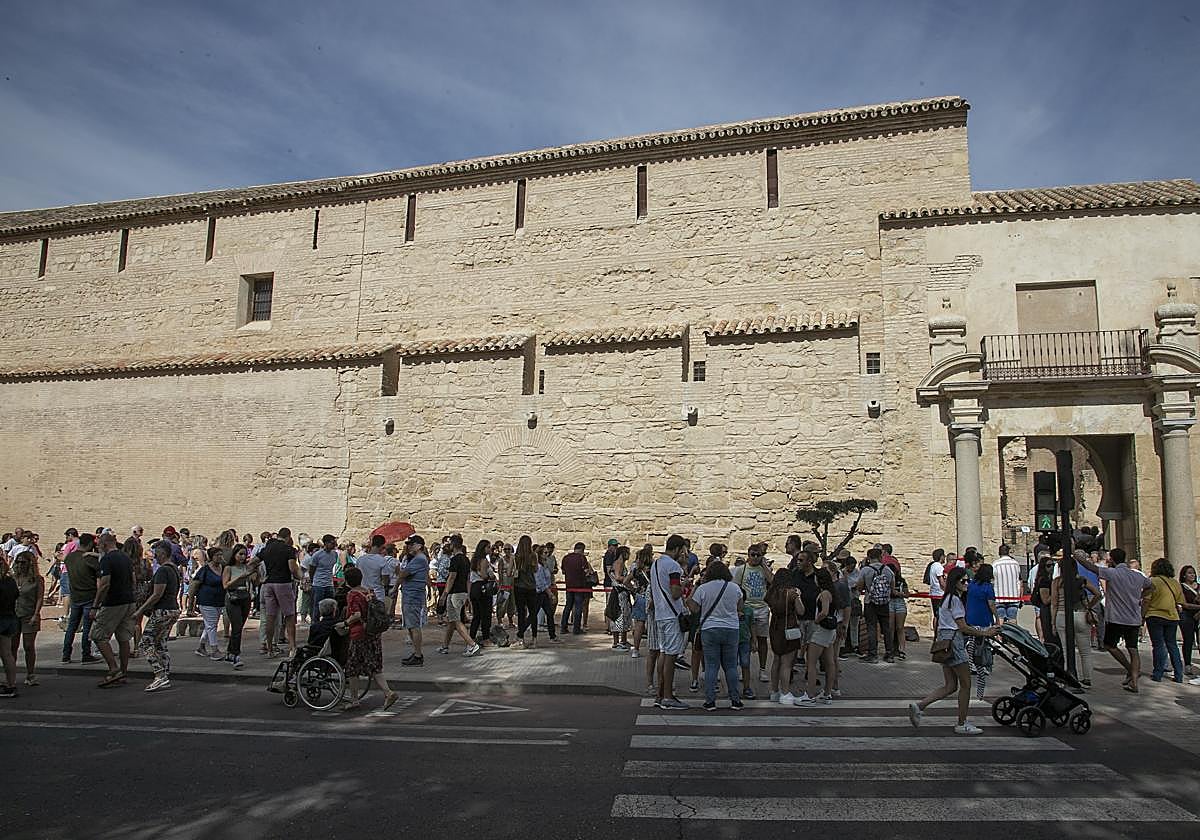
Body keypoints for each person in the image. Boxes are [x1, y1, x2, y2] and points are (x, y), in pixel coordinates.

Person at [909, 567, 1001, 734]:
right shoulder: (955, 601)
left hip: (945, 642)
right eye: (963, 581)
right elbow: (963, 627)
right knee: (966, 684)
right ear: (955, 582)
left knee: (951, 685)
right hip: (954, 642)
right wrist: (985, 632)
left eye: (968, 581)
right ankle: (962, 722)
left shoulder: (946, 599)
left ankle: (920, 705)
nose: (967, 584)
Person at [1076, 547, 1152, 693]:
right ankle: (1134, 679)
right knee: (1133, 649)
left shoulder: (1112, 573)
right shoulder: (1137, 576)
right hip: (1133, 617)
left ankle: (1129, 668)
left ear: (1112, 559)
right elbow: (1151, 586)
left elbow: (1091, 568)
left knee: (1110, 645)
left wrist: (1078, 557)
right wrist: (1140, 597)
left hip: (1116, 617)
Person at [685, 559, 744, 710]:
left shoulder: (704, 588)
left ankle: (710, 700)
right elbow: (740, 608)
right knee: (731, 666)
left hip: (710, 628)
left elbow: (694, 609)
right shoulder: (735, 588)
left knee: (711, 666)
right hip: (731, 628)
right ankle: (735, 700)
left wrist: (688, 598)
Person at [338, 565, 398, 711]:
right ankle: (387, 692)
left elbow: (357, 614)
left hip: (359, 634)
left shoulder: (352, 595)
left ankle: (355, 699)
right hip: (373, 633)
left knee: (352, 668)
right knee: (375, 666)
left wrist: (345, 623)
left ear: (347, 581)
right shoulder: (368, 592)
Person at [132, 540, 182, 692]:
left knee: (146, 642)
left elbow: (156, 594)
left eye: (156, 554)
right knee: (160, 643)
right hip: (172, 610)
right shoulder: (174, 570)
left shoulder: (163, 571)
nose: (154, 557)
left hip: (163, 611)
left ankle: (160, 675)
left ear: (162, 553)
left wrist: (140, 611)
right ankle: (165, 673)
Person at [90, 532, 137, 687]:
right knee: (124, 638)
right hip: (129, 600)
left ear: (104, 544)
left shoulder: (107, 559)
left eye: (99, 545)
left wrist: (96, 605)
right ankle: (122, 672)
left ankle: (114, 669)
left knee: (98, 635)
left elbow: (104, 584)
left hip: (113, 602)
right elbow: (133, 579)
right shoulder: (125, 558)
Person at [1050, 551, 1102, 689]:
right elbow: (1098, 594)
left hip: (1062, 614)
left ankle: (1071, 677)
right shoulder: (1082, 580)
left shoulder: (1057, 582)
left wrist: (1052, 622)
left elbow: (1054, 603)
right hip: (1080, 614)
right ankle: (1087, 679)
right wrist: (1089, 606)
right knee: (1085, 651)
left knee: (1067, 650)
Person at [651, 534, 691, 710]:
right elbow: (675, 592)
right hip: (672, 615)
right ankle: (668, 696)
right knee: (671, 656)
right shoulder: (673, 566)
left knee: (664, 653)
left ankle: (660, 693)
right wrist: (685, 584)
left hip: (660, 614)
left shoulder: (655, 564)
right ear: (677, 549)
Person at [795, 558, 837, 705]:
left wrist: (817, 620)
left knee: (811, 663)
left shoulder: (824, 594)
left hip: (821, 629)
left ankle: (810, 695)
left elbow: (824, 611)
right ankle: (827, 693)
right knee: (830, 662)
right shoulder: (831, 592)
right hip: (830, 631)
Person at [733, 543, 772, 683]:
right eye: (752, 555)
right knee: (744, 640)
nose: (755, 558)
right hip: (747, 607)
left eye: (758, 555)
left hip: (762, 607)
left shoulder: (764, 569)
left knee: (762, 640)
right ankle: (744, 668)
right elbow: (736, 588)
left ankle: (762, 669)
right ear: (748, 555)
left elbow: (772, 581)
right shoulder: (741, 569)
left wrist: (764, 565)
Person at [436, 535, 480, 656]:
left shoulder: (455, 559)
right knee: (451, 620)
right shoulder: (466, 559)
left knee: (455, 620)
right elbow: (467, 579)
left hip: (454, 593)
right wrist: (468, 594)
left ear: (453, 545)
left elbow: (451, 577)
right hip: (462, 592)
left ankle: (472, 644)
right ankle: (445, 646)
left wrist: (444, 594)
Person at [1145, 557, 1186, 684]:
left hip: (1154, 615)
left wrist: (1142, 615)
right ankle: (1179, 674)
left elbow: (1146, 600)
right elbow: (1181, 601)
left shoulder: (1152, 581)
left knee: (1158, 645)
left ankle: (1158, 673)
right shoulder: (1175, 583)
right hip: (1172, 617)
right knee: (1172, 645)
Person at [62, 532, 101, 663]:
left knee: (71, 627)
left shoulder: (69, 558)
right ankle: (86, 654)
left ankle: (66, 655)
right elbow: (100, 575)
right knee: (87, 628)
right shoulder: (89, 559)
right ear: (89, 544)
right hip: (89, 595)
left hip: (75, 596)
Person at [965, 563, 999, 699]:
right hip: (983, 619)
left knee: (972, 641)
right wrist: (997, 617)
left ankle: (971, 662)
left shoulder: (972, 585)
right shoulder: (988, 587)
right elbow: (991, 604)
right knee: (983, 644)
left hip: (971, 617)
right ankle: (981, 663)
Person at [10, 550, 43, 687]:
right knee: (12, 646)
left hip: (29, 614)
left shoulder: (36, 579)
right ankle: (10, 675)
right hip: (13, 614)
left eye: (23, 562)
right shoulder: (12, 578)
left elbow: (40, 597)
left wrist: (36, 614)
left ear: (30, 563)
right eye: (18, 562)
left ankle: (30, 674)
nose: (20, 565)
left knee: (28, 646)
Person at [397, 535, 430, 666]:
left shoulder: (419, 559)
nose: (408, 547)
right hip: (411, 595)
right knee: (411, 626)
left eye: (411, 544)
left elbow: (402, 574)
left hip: (413, 597)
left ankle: (418, 655)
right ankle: (416, 653)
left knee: (414, 626)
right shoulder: (417, 559)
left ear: (419, 545)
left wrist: (398, 569)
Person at [221, 543, 255, 668]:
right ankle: (236, 654)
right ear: (234, 554)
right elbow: (225, 585)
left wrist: (255, 575)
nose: (242, 557)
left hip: (245, 597)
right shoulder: (229, 568)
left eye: (244, 554)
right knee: (237, 626)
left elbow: (253, 581)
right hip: (233, 597)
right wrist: (240, 577)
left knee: (239, 626)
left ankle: (230, 652)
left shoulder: (246, 567)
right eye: (240, 554)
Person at [859, 546, 895, 663]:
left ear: (869, 558)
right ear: (880, 557)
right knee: (886, 627)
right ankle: (889, 653)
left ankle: (872, 654)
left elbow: (860, 586)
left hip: (870, 601)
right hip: (884, 602)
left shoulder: (865, 570)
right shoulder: (888, 570)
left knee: (871, 627)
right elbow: (892, 587)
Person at [303, 535, 340, 624]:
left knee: (331, 605)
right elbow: (312, 569)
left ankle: (329, 623)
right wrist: (313, 581)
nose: (334, 544)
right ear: (326, 543)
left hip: (329, 583)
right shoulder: (317, 555)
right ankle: (315, 623)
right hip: (318, 584)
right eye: (332, 542)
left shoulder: (334, 554)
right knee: (317, 605)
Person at [511, 536, 540, 648]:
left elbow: (511, 572)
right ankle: (534, 639)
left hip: (519, 587)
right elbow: (536, 569)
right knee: (533, 613)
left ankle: (521, 638)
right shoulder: (533, 556)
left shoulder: (516, 557)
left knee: (521, 613)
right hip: (531, 587)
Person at [559, 542, 592, 635]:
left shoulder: (566, 558)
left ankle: (563, 627)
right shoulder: (582, 558)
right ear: (582, 550)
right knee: (578, 607)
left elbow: (563, 571)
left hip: (569, 585)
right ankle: (576, 628)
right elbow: (586, 572)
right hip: (579, 586)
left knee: (568, 606)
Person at [355, 535, 397, 607]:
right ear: (382, 545)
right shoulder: (382, 561)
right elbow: (385, 581)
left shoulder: (360, 559)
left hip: (362, 592)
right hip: (378, 594)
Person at [468, 540, 496, 644]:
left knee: (477, 615)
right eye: (488, 547)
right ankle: (486, 638)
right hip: (482, 587)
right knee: (485, 614)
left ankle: (471, 637)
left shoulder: (475, 560)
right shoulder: (483, 560)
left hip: (475, 587)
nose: (490, 549)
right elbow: (483, 575)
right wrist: (491, 576)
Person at [628, 545, 651, 659]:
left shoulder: (636, 571)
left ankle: (636, 649)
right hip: (651, 599)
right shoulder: (653, 569)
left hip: (640, 597)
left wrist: (634, 590)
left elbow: (627, 581)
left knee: (639, 625)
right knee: (652, 624)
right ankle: (653, 648)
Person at [0, 558, 19, 698]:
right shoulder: (10, 581)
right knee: (7, 654)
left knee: (6, 654)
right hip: (10, 617)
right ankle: (11, 684)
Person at [608, 545, 632, 650]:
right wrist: (629, 578)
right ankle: (616, 642)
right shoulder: (618, 563)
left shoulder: (622, 564)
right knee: (619, 615)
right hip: (619, 593)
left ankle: (623, 640)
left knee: (625, 615)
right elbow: (617, 577)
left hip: (623, 592)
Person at [1179, 565, 1200, 682]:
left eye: (1193, 573)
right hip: (1187, 616)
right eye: (1189, 573)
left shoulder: (1199, 587)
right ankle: (1187, 664)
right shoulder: (1182, 587)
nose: (1192, 575)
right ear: (1184, 575)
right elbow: (1184, 604)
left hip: (1199, 615)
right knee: (1188, 639)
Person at [992, 544, 1023, 623]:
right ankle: (1012, 635)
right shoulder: (1015, 564)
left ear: (999, 552)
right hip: (1013, 595)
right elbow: (1019, 580)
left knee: (1000, 618)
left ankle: (999, 635)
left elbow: (992, 579)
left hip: (999, 596)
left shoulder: (995, 564)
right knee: (1012, 619)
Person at [888, 565, 909, 660]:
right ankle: (890, 649)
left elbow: (907, 594)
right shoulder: (886, 580)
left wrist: (901, 594)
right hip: (890, 603)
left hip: (899, 603)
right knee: (891, 627)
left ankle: (902, 649)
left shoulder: (901, 581)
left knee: (900, 627)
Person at [925, 548, 946, 631]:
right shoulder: (938, 567)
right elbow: (941, 581)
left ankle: (935, 634)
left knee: (936, 615)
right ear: (941, 556)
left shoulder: (933, 565)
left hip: (934, 592)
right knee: (940, 615)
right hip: (940, 593)